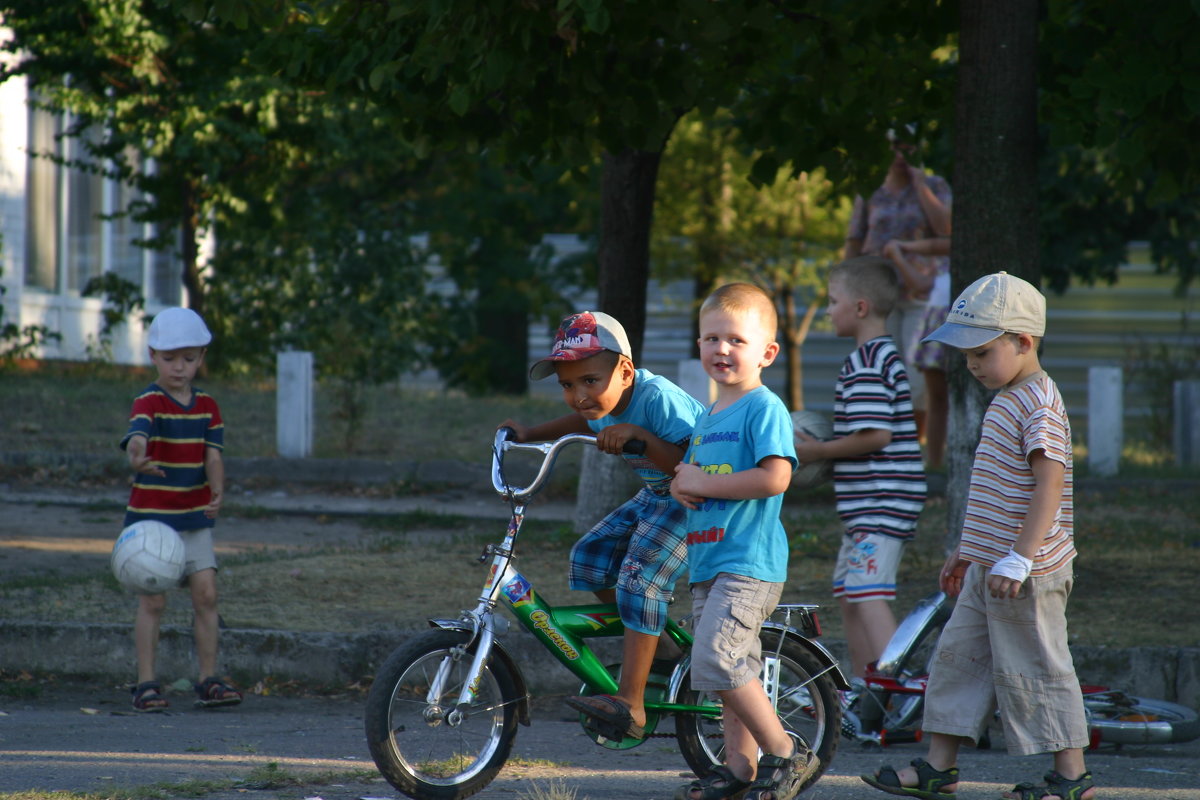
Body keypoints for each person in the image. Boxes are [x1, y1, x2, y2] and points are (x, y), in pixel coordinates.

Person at [862, 272, 1095, 800]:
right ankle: (938, 766)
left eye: (981, 352)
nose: (970, 364)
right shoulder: (1008, 393)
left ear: (1023, 342)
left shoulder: (1038, 402)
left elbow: (1049, 484)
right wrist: (967, 552)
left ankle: (1071, 775)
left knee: (1038, 666)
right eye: (964, 354)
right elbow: (993, 490)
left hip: (1027, 571)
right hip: (988, 567)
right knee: (957, 660)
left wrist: (1020, 557)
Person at [501, 310, 704, 742]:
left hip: (693, 499)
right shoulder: (600, 403)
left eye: (589, 381)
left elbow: (696, 469)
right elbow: (582, 421)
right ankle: (661, 645)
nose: (578, 395)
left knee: (637, 577)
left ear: (625, 371)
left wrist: (643, 438)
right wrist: (531, 433)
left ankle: (631, 704)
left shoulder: (657, 400)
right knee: (589, 559)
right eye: (567, 385)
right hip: (656, 494)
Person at [670, 283, 819, 800]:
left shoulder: (764, 407)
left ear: (767, 353)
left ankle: (785, 752)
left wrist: (702, 483)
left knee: (716, 658)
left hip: (748, 562)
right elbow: (696, 474)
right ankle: (739, 769)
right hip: (709, 561)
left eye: (735, 339)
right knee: (731, 668)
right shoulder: (708, 418)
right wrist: (681, 483)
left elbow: (775, 477)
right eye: (711, 338)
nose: (722, 349)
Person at [794, 257, 926, 680]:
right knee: (850, 595)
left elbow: (876, 436)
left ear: (861, 307)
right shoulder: (873, 357)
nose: (829, 310)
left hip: (883, 500)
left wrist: (819, 453)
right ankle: (863, 687)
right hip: (867, 505)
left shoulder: (867, 363)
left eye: (834, 301)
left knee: (866, 593)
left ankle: (900, 690)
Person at [119, 307, 242, 712]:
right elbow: (138, 435)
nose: (179, 368)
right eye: (170, 358)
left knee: (206, 594)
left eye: (189, 359)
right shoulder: (149, 401)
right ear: (153, 355)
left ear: (201, 358)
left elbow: (213, 456)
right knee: (152, 601)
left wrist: (219, 489)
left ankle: (208, 678)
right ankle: (145, 683)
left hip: (194, 516)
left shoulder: (208, 406)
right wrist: (137, 456)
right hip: (151, 519)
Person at [844, 127, 953, 469]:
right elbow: (855, 238)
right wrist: (844, 288)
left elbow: (948, 231)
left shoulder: (935, 186)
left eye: (908, 146)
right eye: (895, 147)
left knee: (917, 376)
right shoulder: (871, 189)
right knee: (876, 373)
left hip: (923, 293)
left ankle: (912, 446)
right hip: (876, 295)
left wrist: (920, 186)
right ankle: (882, 450)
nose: (901, 154)